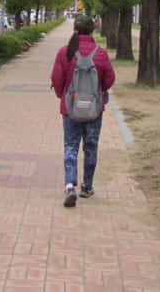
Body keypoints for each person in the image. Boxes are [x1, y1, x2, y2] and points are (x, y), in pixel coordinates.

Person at [51, 13, 115, 207]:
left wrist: (63, 96)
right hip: (94, 110)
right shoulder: (100, 53)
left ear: (75, 30)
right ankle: (87, 186)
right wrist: (99, 91)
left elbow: (56, 79)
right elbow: (110, 79)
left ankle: (70, 185)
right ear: (92, 30)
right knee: (91, 147)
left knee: (71, 146)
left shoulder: (65, 52)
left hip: (71, 108)